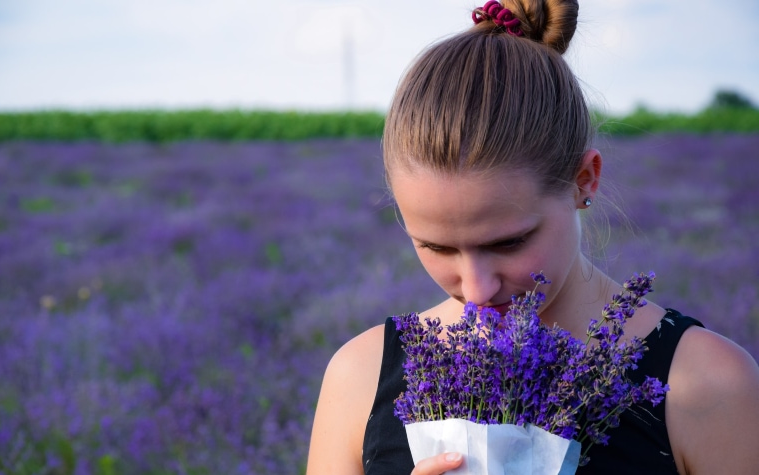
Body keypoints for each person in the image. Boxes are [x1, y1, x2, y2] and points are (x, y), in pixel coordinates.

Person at [306, 1, 759, 473]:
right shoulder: (359, 377)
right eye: (437, 247)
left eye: (507, 243)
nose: (477, 290)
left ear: (584, 179)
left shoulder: (709, 385)